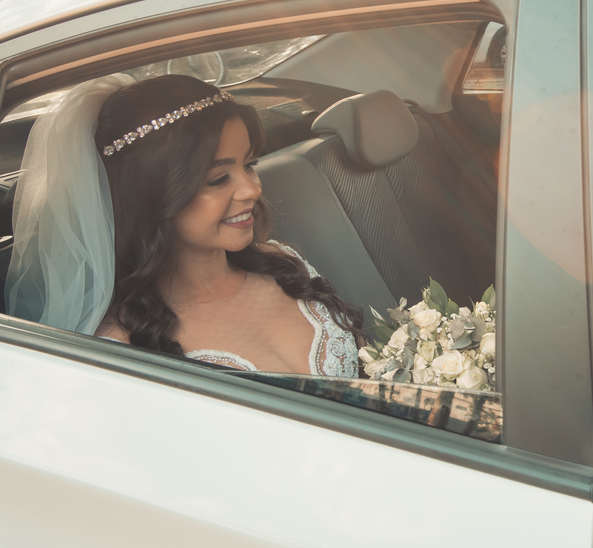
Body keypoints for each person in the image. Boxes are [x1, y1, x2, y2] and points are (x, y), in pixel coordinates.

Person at [5, 74, 362, 377]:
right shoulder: (125, 345)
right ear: (152, 195)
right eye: (218, 179)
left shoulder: (282, 264)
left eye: (249, 164)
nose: (252, 189)